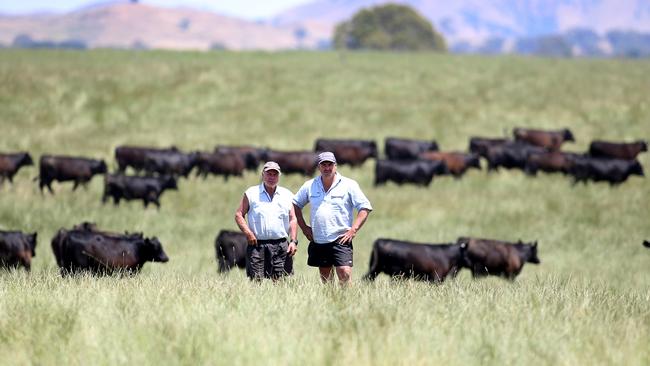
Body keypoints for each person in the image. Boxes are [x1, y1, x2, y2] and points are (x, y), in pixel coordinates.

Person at [293, 151, 372, 284]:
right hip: (319, 239)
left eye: (330, 164)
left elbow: (365, 207)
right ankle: (330, 300)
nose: (327, 168)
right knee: (325, 276)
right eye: (323, 165)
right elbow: (295, 204)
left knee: (345, 272)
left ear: (336, 166)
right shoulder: (310, 185)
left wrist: (353, 230)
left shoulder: (349, 185)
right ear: (319, 167)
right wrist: (304, 228)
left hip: (341, 237)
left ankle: (347, 300)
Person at [235, 161, 298, 280]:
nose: (271, 177)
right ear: (263, 174)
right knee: (256, 280)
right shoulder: (251, 193)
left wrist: (293, 241)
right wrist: (248, 233)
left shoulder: (287, 195)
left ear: (279, 176)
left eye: (275, 174)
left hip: (280, 244)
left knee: (280, 281)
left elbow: (293, 218)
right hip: (257, 244)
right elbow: (239, 214)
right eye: (269, 174)